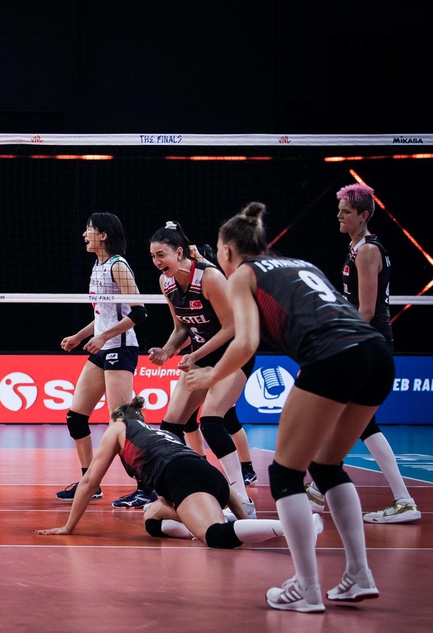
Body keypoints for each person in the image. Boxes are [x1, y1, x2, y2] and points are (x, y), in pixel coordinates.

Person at [185, 202, 394, 612]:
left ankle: (308, 588)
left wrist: (209, 377)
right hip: (376, 353)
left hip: (332, 356)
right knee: (327, 465)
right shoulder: (302, 263)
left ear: (226, 252)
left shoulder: (244, 275)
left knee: (285, 473)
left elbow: (244, 343)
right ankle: (358, 574)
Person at [35, 398, 320, 547]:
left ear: (119, 418)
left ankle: (297, 527)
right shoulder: (160, 434)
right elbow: (211, 478)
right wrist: (243, 516)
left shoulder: (118, 428)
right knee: (151, 518)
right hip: (207, 476)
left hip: (185, 478)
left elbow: (88, 482)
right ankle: (202, 526)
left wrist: (68, 526)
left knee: (217, 536)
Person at [305, 184, 419, 524]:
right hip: (363, 340)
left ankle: (402, 499)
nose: (338, 215)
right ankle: (318, 491)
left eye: (345, 211)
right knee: (351, 418)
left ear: (364, 215)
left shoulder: (368, 250)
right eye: (339, 210)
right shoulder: (356, 247)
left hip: (368, 341)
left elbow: (367, 310)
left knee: (353, 418)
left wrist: (336, 341)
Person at [144, 221, 255, 517]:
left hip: (233, 354)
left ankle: (243, 500)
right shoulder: (166, 283)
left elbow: (232, 327)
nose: (157, 262)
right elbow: (181, 326)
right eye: (153, 256)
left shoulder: (210, 278)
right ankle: (185, 491)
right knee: (169, 427)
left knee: (211, 421)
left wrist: (195, 355)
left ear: (180, 252)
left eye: (161, 255)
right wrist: (167, 350)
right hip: (202, 356)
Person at [57, 212, 146, 503]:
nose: (85, 235)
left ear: (104, 235)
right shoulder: (98, 266)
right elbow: (103, 316)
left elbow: (139, 312)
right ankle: (90, 483)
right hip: (103, 348)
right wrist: (80, 336)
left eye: (90, 230)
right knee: (76, 418)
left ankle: (147, 488)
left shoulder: (118, 266)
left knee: (123, 423)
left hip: (120, 348)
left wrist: (104, 337)